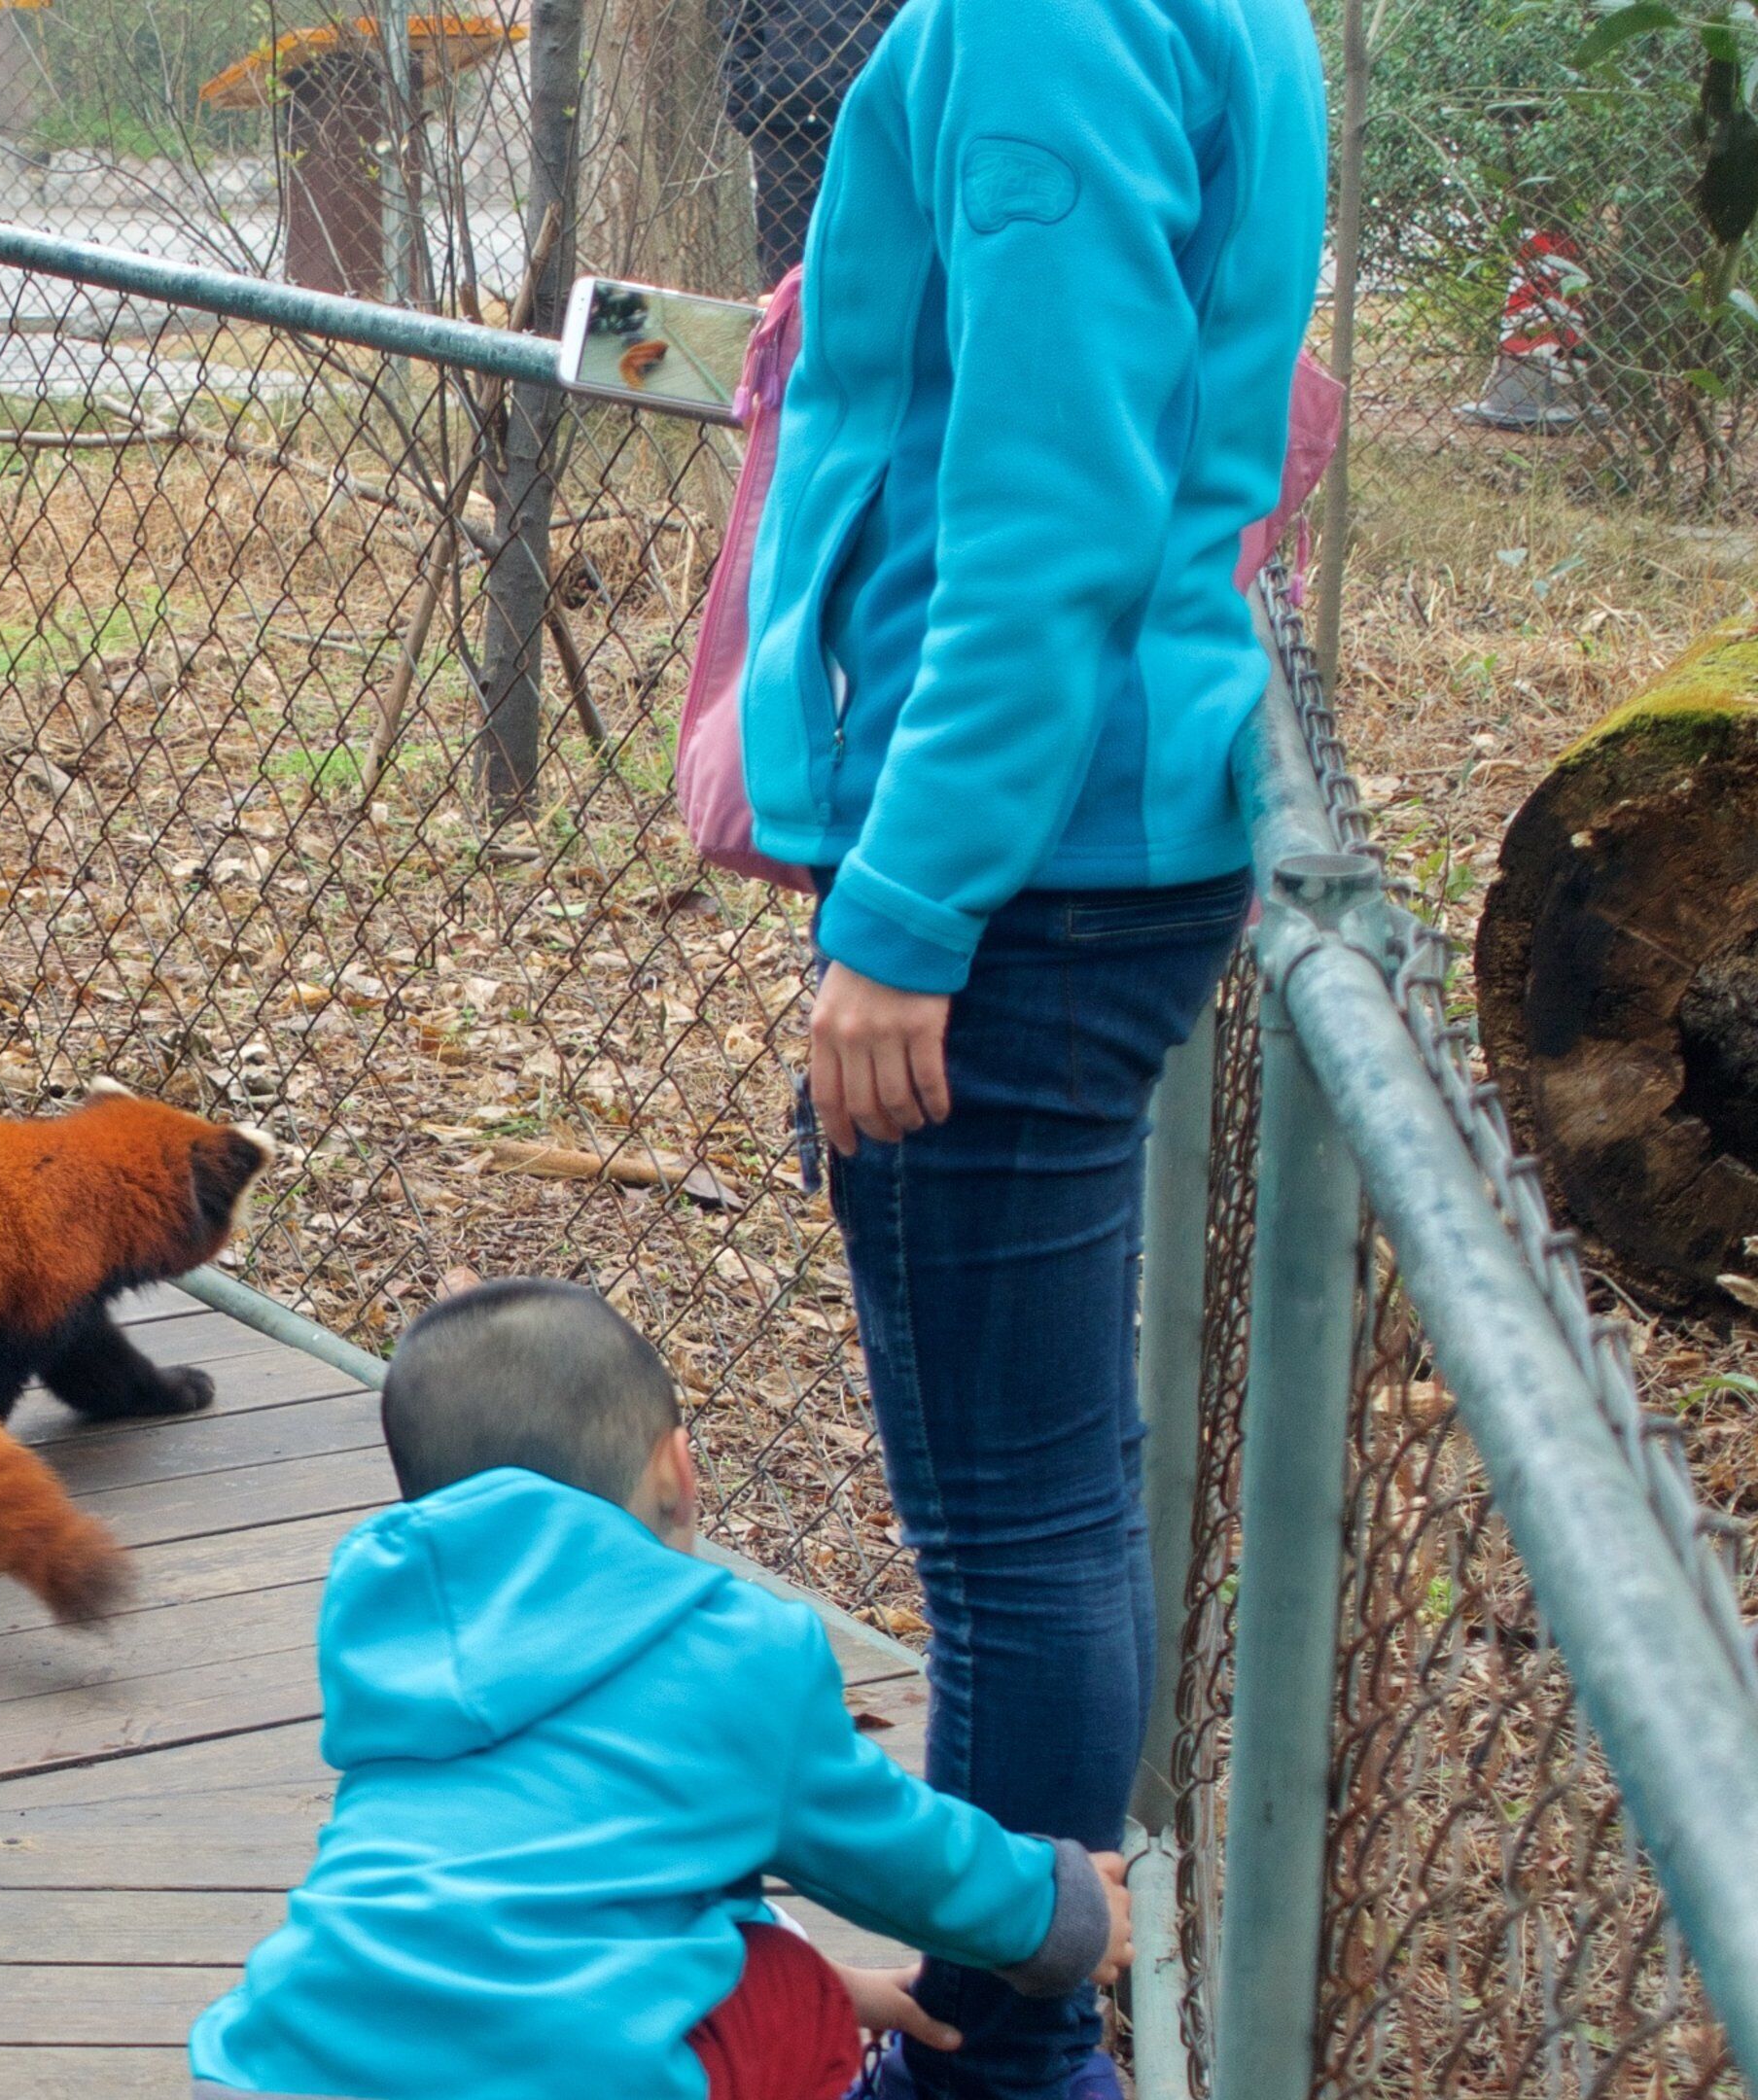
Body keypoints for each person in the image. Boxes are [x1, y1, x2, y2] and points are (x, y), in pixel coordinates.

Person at [736, 0, 1324, 2091]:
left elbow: (1048, 502)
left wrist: (905, 917)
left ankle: (999, 2050)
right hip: (1091, 825)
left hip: (1025, 863)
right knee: (1043, 1508)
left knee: (1008, 1539)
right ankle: (1019, 2026)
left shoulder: (1050, 20)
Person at [185, 1280, 1132, 2100]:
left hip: (277, 2062)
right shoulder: (732, 1649)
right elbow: (901, 1854)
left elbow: (525, 1892)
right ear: (678, 1471)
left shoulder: (390, 1630)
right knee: (787, 2000)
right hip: (565, 2077)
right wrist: (1057, 1916)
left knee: (768, 1956)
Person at [722, 0, 901, 288]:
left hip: (873, 128)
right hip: (784, 131)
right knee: (788, 277)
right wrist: (746, 106)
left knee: (876, 269)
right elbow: (740, 27)